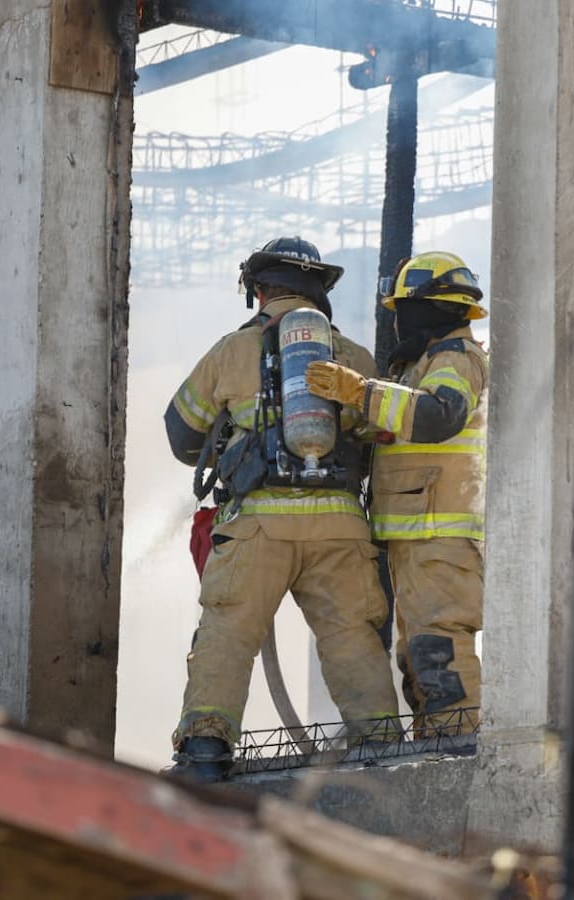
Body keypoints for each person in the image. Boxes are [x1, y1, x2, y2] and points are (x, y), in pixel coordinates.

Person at [163, 236, 399, 781]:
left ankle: (204, 753)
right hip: (340, 527)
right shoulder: (352, 357)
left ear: (259, 289)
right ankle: (384, 750)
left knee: (229, 630)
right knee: (350, 637)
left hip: (259, 526)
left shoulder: (230, 351)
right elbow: (379, 434)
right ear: (320, 291)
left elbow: (180, 435)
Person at [305, 251, 488, 736]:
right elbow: (408, 422)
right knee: (417, 656)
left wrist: (362, 392)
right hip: (418, 535)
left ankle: (461, 748)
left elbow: (438, 416)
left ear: (431, 307)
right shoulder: (422, 365)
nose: (400, 319)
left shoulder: (455, 358)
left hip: (441, 534)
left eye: (404, 307)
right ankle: (437, 744)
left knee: (438, 647)